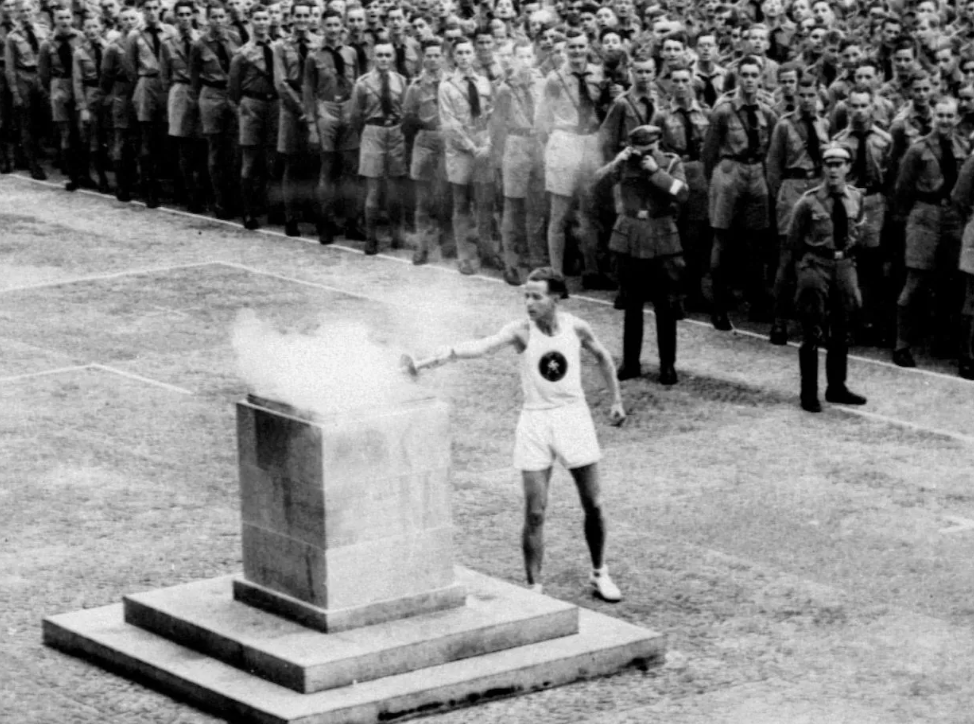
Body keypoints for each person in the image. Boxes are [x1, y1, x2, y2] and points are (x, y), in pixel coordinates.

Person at [417, 266, 626, 600]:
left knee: (595, 504)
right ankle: (534, 589)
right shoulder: (520, 332)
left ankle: (600, 573)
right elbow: (485, 346)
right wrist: (449, 353)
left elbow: (602, 357)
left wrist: (615, 400)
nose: (529, 303)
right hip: (535, 422)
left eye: (536, 296)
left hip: (573, 417)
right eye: (526, 296)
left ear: (555, 297)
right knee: (535, 511)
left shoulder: (577, 327)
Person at [598, 124, 688, 384]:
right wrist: (616, 163)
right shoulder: (625, 162)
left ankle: (667, 366)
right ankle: (630, 362)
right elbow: (596, 186)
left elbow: (682, 194)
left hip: (661, 236)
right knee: (631, 303)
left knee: (665, 306)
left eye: (649, 149)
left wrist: (656, 173)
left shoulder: (670, 163)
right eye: (639, 150)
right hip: (631, 236)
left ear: (658, 144)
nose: (643, 155)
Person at [786, 142, 867, 412]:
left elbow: (859, 231)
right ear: (822, 167)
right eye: (829, 164)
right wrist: (808, 268)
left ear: (848, 168)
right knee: (812, 329)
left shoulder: (856, 197)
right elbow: (794, 240)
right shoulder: (808, 201)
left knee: (842, 327)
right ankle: (808, 393)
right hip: (816, 265)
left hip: (843, 263)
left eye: (839, 165)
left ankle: (837, 387)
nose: (833, 170)